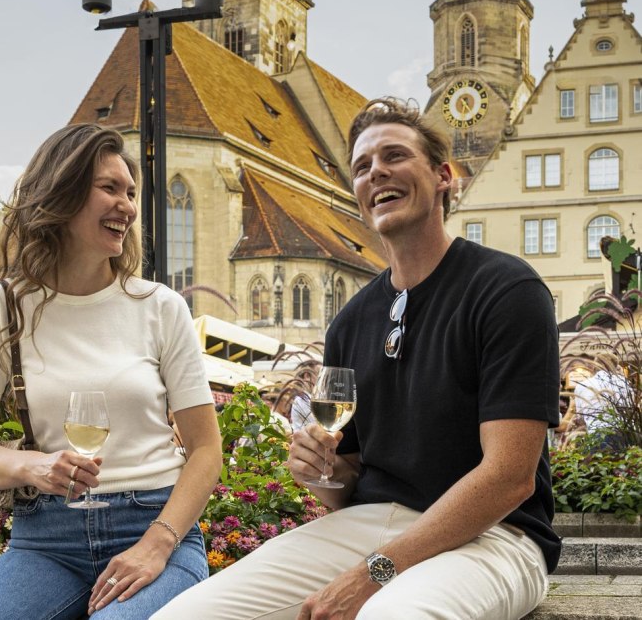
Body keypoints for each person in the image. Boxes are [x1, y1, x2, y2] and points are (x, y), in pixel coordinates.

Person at [152, 98, 561, 620]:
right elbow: (346, 480)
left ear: (443, 176)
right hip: (370, 526)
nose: (377, 173)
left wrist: (374, 573)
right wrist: (317, 472)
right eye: (362, 167)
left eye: (394, 156)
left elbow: (509, 478)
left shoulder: (506, 289)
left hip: (497, 535)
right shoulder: (352, 320)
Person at [0, 124, 222, 619]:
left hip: (154, 527)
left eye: (132, 193)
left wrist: (158, 544)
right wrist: (31, 466)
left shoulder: (159, 307)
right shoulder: (3, 305)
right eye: (110, 188)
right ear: (62, 191)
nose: (128, 206)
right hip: (44, 542)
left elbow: (206, 450)